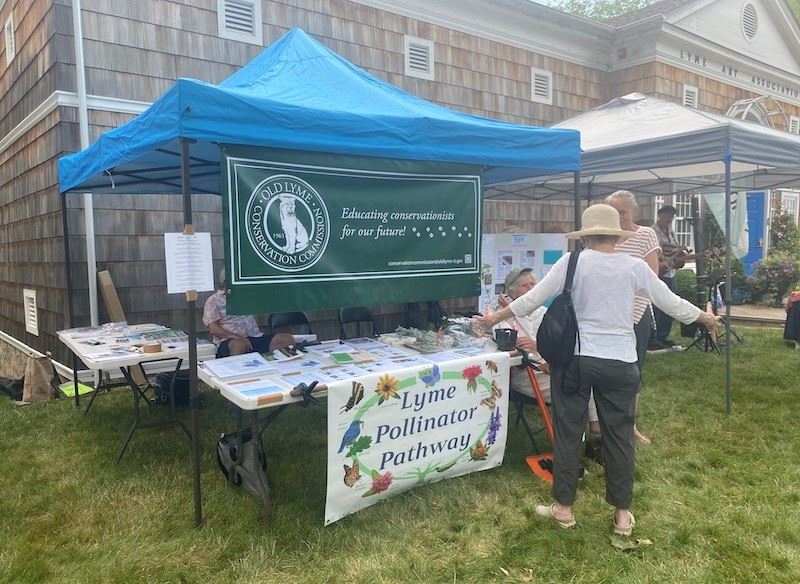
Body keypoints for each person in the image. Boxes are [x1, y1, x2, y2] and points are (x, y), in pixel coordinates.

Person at [472, 204, 719, 536]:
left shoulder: (572, 262)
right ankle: (622, 516)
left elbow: (529, 301)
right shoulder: (634, 267)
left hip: (576, 360)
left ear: (586, 235)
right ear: (617, 235)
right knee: (619, 437)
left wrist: (492, 320)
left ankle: (563, 508)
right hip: (621, 361)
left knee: (569, 434)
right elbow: (669, 302)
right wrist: (705, 318)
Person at [604, 190, 660, 446]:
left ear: (634, 212)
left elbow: (651, 277)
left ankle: (630, 426)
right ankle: (601, 422)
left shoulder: (645, 235)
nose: (618, 217)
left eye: (623, 212)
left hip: (635, 313)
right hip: (605, 314)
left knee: (632, 371)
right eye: (613, 212)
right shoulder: (603, 237)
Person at [203, 269, 295, 358]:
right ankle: (236, 371)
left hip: (254, 337)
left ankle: (277, 369)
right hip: (229, 341)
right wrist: (238, 337)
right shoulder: (213, 300)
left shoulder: (246, 296)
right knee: (239, 345)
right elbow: (214, 329)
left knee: (286, 339)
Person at [496, 267, 551, 403]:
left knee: (586, 386)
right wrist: (509, 311)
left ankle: (594, 423)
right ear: (511, 292)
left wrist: (538, 346)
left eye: (532, 284)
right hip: (527, 374)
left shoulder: (544, 312)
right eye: (524, 285)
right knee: (573, 390)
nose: (530, 288)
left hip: (551, 367)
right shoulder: (501, 315)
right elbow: (507, 341)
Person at [653, 204, 685, 346]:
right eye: (667, 215)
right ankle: (653, 338)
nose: (670, 218)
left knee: (669, 305)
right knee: (657, 307)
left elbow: (675, 249)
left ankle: (663, 336)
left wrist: (680, 252)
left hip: (670, 273)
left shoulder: (671, 232)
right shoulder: (653, 231)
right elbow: (657, 251)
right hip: (658, 272)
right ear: (660, 215)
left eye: (671, 216)